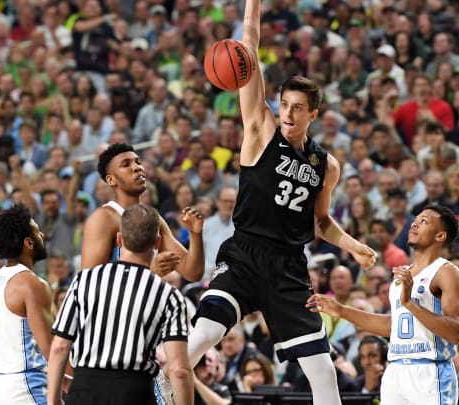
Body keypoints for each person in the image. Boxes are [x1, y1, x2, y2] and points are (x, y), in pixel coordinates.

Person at [156, 2, 376, 405]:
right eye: (284, 104)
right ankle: (155, 385)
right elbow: (248, 50)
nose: (288, 113)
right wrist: (252, 6)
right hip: (245, 253)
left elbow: (322, 222)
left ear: (314, 113)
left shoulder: (327, 165)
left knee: (323, 372)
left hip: (289, 268)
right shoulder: (260, 130)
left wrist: (353, 246)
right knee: (205, 333)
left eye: (297, 108)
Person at [308, 205, 459, 405]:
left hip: (430, 370)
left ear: (440, 236)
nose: (415, 224)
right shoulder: (402, 276)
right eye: (416, 219)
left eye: (424, 221)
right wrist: (341, 311)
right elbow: (393, 326)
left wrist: (409, 303)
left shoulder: (446, 272)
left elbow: (456, 333)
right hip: (395, 370)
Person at [47, 204, 200, 405]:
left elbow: (59, 347)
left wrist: (54, 401)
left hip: (85, 388)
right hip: (134, 391)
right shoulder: (168, 295)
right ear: (157, 243)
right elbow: (179, 370)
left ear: (119, 240)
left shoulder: (84, 280)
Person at [80, 143, 204, 280]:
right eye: (126, 165)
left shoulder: (153, 217)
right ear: (111, 179)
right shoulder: (104, 217)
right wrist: (149, 271)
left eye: (138, 162)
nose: (137, 167)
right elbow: (89, 281)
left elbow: (193, 273)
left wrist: (195, 234)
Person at [0, 205, 53, 405]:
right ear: (29, 243)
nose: (41, 235)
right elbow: (50, 348)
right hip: (27, 385)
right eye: (37, 231)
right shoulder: (32, 284)